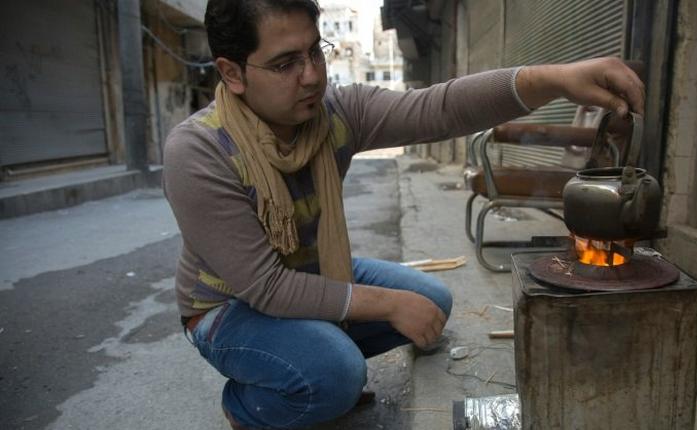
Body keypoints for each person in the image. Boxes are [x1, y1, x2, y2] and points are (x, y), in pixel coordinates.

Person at [162, 1, 645, 428]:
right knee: (337, 375)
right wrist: (388, 305)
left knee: (431, 298)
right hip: (228, 306)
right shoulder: (200, 151)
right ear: (232, 73)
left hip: (309, 271)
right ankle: (247, 406)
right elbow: (266, 287)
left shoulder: (333, 115)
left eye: (315, 51)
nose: (311, 74)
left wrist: (557, 79)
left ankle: (311, 351)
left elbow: (439, 108)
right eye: (285, 63)